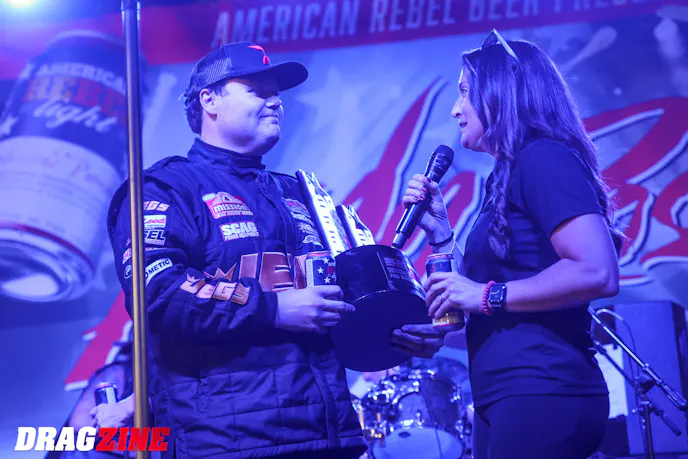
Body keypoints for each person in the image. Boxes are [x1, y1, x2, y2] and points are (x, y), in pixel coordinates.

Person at [107, 42, 446, 459]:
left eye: (277, 93)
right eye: (257, 90)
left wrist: (395, 332)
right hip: (225, 444)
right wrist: (273, 309)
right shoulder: (166, 188)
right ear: (208, 100)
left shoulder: (302, 194)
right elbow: (157, 293)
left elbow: (339, 304)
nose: (275, 101)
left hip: (329, 438)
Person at [402, 30, 622, 459]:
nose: (455, 109)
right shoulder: (506, 174)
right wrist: (442, 234)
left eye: (465, 93)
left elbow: (597, 271)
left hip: (545, 390)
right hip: (505, 395)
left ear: (501, 93)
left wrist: (486, 294)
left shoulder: (543, 158)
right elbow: (488, 302)